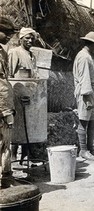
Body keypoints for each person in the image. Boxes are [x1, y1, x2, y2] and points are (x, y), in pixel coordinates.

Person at [8, 27, 37, 161]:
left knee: (28, 124)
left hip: (28, 94)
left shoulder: (32, 55)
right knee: (18, 123)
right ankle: (14, 156)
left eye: (32, 38)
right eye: (27, 38)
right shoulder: (15, 52)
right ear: (21, 39)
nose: (30, 40)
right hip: (17, 93)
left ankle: (25, 155)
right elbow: (10, 75)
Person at [73, 31, 94, 161]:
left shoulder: (87, 56)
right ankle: (83, 150)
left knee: (92, 121)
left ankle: (90, 148)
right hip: (86, 92)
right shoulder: (84, 57)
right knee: (84, 121)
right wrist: (87, 96)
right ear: (91, 44)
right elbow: (85, 77)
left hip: (90, 92)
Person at [0, 17, 16, 189]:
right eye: (6, 32)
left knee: (6, 143)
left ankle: (6, 177)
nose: (10, 36)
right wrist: (4, 111)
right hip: (1, 106)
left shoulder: (3, 51)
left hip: (5, 103)